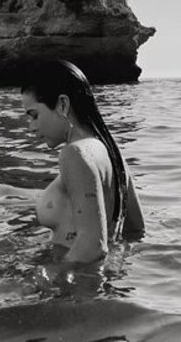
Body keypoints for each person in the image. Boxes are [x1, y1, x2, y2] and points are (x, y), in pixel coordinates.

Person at [21, 60, 145, 263]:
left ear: (62, 104)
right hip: (96, 278)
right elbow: (135, 230)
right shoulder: (113, 153)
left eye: (34, 115)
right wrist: (112, 270)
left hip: (73, 281)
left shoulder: (75, 153)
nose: (31, 127)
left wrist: (50, 277)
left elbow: (93, 247)